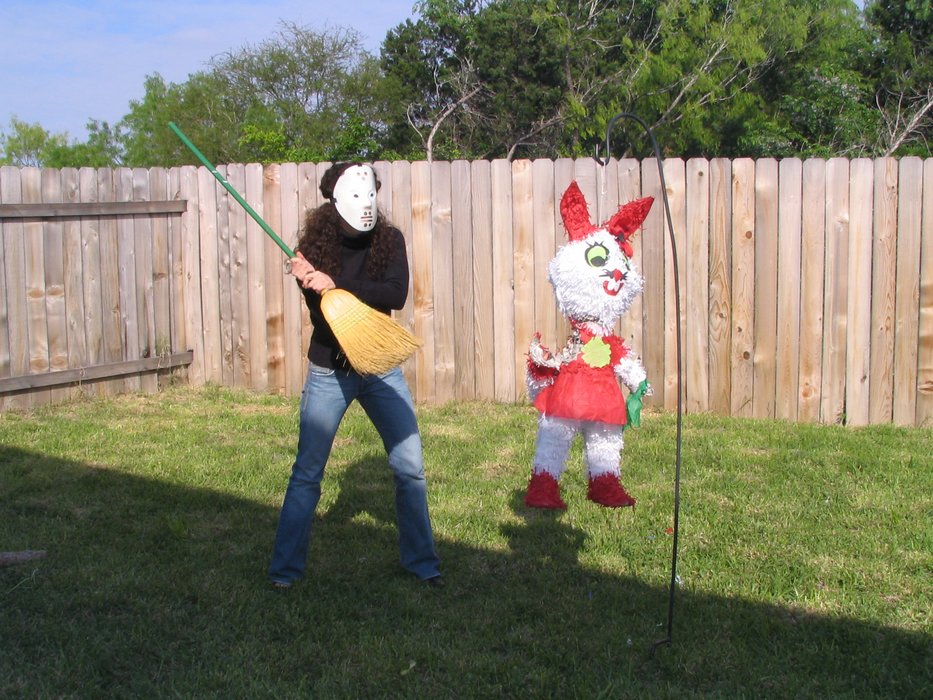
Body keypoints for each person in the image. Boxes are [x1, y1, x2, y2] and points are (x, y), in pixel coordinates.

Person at [268, 162, 442, 589]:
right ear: (335, 200)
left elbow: (394, 294)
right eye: (356, 196)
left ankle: (423, 564)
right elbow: (324, 316)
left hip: (380, 366)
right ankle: (284, 572)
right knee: (308, 472)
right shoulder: (314, 247)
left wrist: (337, 283)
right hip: (331, 369)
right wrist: (309, 284)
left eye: (371, 196)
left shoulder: (389, 239)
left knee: (410, 467)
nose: (366, 205)